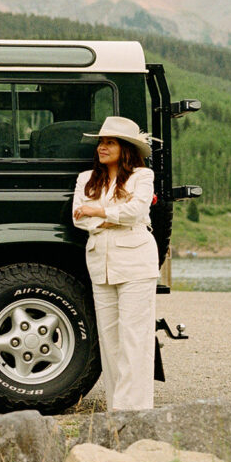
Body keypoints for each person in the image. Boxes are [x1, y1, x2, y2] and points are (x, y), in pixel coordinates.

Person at [72, 116, 159, 410]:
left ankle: (133, 411)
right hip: (101, 265)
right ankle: (115, 409)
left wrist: (97, 209)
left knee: (135, 339)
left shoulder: (142, 177)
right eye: (101, 142)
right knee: (110, 342)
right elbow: (78, 218)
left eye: (109, 142)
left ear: (125, 148)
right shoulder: (86, 179)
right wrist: (111, 215)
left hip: (136, 262)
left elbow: (136, 212)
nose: (102, 147)